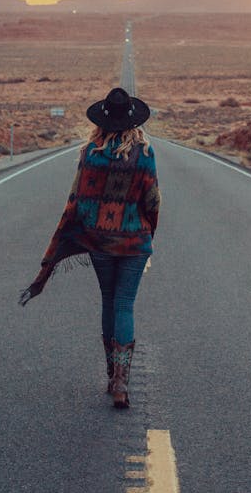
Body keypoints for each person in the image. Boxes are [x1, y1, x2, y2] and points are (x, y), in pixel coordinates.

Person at [19, 87, 161, 409]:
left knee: (109, 301)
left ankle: (112, 373)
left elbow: (77, 199)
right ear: (133, 121)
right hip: (135, 242)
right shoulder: (145, 153)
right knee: (125, 303)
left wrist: (83, 230)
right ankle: (122, 384)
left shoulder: (90, 153)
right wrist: (148, 231)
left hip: (100, 242)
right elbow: (152, 200)